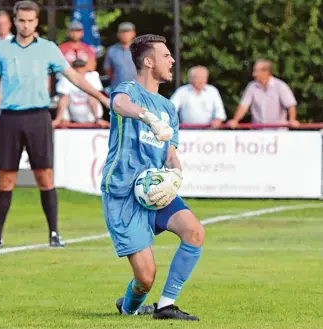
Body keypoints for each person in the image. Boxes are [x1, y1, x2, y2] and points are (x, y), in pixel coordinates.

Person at [0, 0, 109, 249]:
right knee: (5, 178)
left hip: (39, 117)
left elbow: (73, 77)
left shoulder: (48, 48)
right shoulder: (2, 49)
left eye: (30, 21)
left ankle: (54, 234)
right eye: (21, 20)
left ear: (36, 22)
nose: (25, 25)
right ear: (14, 21)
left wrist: (102, 97)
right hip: (9, 117)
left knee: (45, 176)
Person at [101, 34, 204, 321]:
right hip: (123, 193)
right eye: (166, 55)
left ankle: (166, 305)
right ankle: (130, 307)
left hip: (154, 190)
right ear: (149, 61)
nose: (172, 60)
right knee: (145, 278)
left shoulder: (170, 108)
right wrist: (147, 117)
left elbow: (170, 153)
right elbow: (119, 105)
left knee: (194, 232)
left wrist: (176, 174)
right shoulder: (128, 90)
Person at [228, 59, 300, 129]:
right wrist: (235, 120)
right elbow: (244, 106)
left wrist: (292, 119)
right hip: (257, 132)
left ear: (266, 72)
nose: (253, 74)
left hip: (278, 133)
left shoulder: (280, 86)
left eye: (256, 71)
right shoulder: (251, 86)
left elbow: (291, 105)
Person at [55, 59, 109, 127]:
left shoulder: (93, 77)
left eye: (82, 67)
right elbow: (63, 100)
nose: (80, 70)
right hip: (73, 119)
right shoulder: (65, 78)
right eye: (77, 68)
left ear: (85, 68)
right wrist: (59, 119)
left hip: (92, 119)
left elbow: (93, 99)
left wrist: (98, 119)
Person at [103, 22, 137, 91]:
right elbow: (108, 70)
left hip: (138, 91)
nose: (125, 34)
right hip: (118, 91)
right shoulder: (111, 51)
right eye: (122, 32)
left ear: (133, 33)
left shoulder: (141, 49)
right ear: (118, 34)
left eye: (128, 32)